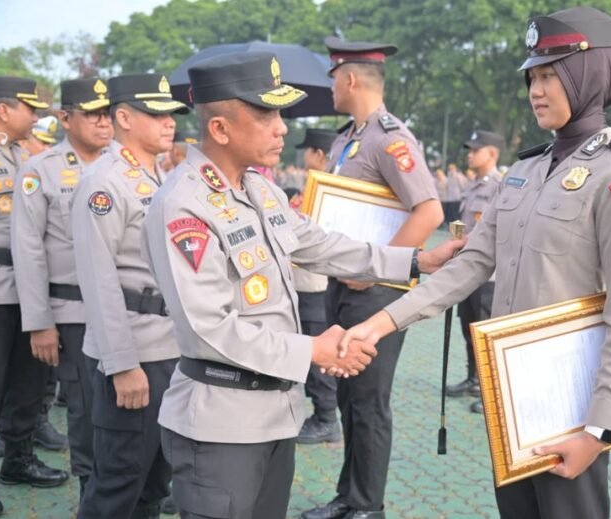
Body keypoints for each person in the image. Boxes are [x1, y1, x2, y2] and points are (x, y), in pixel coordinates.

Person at [338, 7, 611, 519]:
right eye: (533, 76)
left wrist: (597, 430)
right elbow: (470, 265)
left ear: (587, 75)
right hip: (508, 391)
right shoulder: (524, 170)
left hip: (569, 402)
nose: (536, 89)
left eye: (552, 75)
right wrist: (380, 322)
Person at [140, 52, 460, 519]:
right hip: (221, 424)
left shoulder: (259, 189)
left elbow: (321, 244)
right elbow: (207, 327)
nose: (281, 127)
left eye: (279, 114)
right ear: (221, 129)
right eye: (265, 113)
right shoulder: (183, 205)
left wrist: (416, 258)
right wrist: (312, 351)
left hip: (274, 414)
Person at [301, 36, 444, 519]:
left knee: (369, 401)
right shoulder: (348, 137)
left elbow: (428, 211)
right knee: (347, 395)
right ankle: (349, 496)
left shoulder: (391, 138)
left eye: (333, 78)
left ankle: (367, 506)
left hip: (378, 292)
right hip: (345, 285)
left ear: (350, 78)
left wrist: (378, 264)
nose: (332, 88)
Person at [71, 73, 188, 519]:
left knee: (154, 482)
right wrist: (122, 364)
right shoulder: (105, 183)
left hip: (168, 347)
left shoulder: (158, 177)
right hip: (133, 353)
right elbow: (99, 282)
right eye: (155, 114)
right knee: (118, 483)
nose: (168, 123)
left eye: (170, 114)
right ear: (123, 117)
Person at [10, 77, 113, 497]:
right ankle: (93, 494)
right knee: (86, 410)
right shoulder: (40, 171)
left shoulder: (128, 167)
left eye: (107, 113)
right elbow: (28, 249)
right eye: (92, 114)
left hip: (130, 311)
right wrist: (39, 322)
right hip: (74, 312)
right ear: (65, 119)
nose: (102, 122)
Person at [0, 76, 69, 518]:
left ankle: (18, 460)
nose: (36, 116)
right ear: (4, 110)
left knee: (29, 379)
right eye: (29, 108)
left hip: (31, 286)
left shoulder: (26, 154)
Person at [444, 131, 504, 414]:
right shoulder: (472, 185)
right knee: (468, 328)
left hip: (488, 273)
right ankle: (473, 378)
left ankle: (491, 389)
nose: (469, 154)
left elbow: (499, 230)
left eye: (475, 150)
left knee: (485, 331)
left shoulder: (500, 186)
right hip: (467, 269)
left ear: (491, 154)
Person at [294, 128, 345, 444]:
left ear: (319, 155)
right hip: (304, 280)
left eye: (307, 151)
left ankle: (327, 417)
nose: (303, 157)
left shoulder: (328, 190)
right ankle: (321, 412)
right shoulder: (313, 186)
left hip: (315, 282)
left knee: (317, 354)